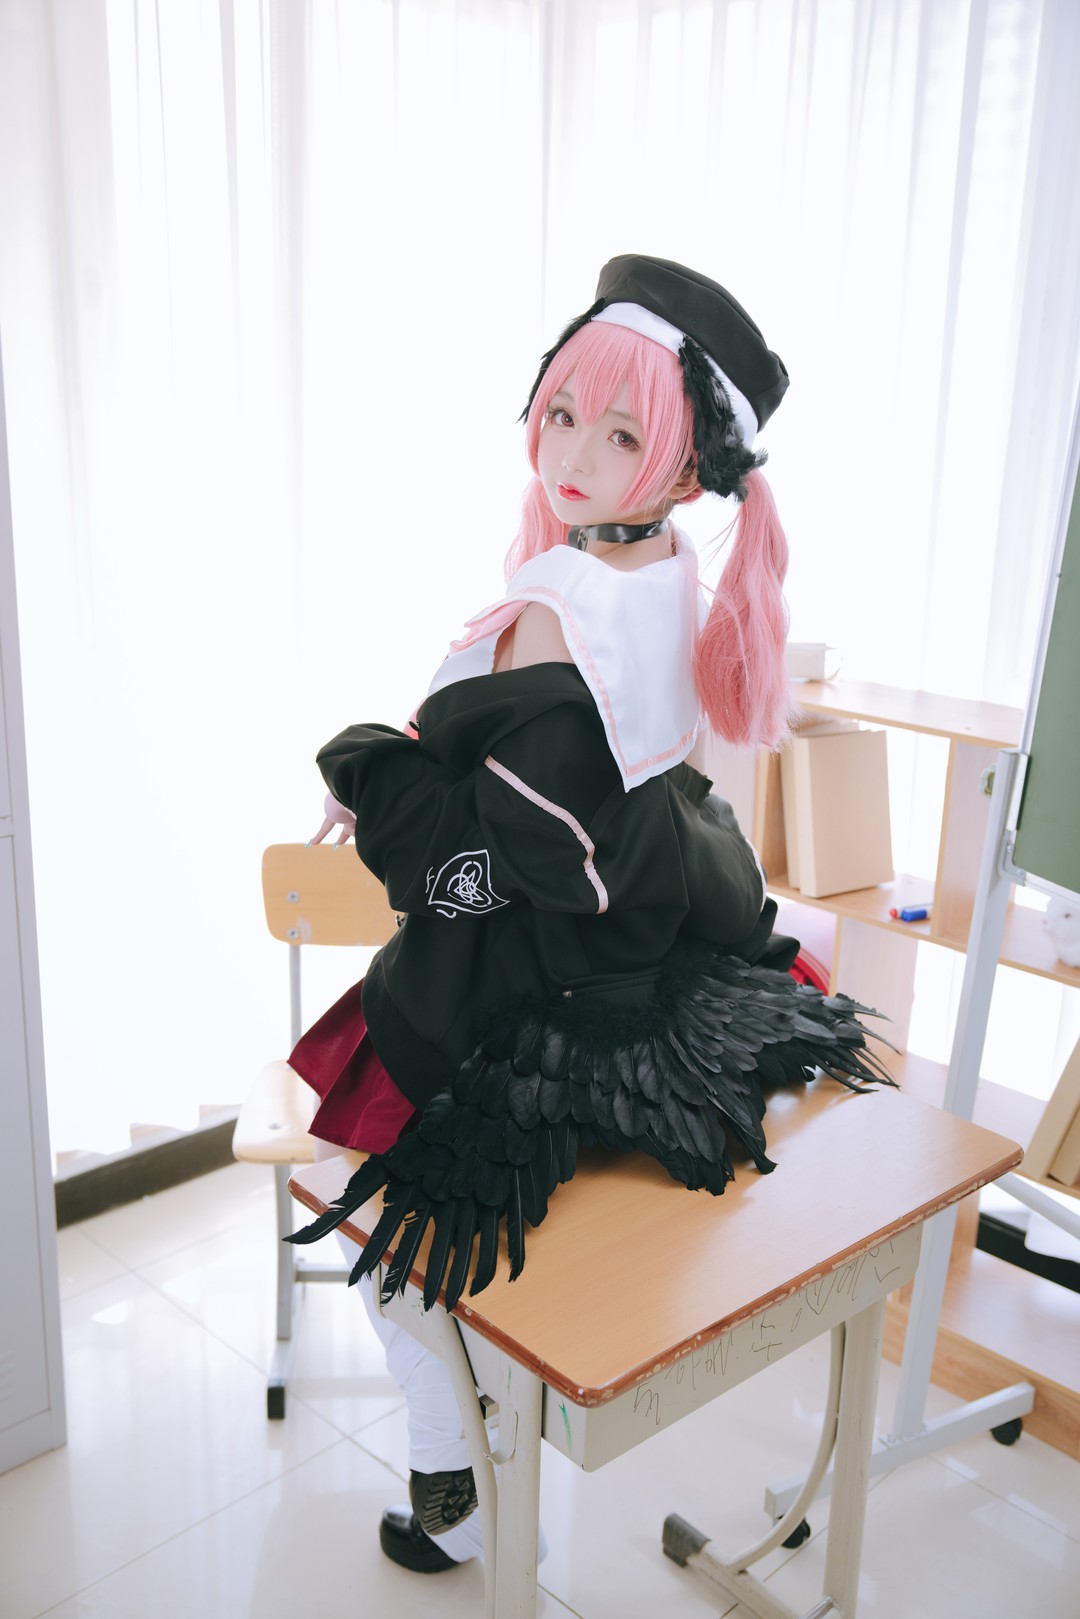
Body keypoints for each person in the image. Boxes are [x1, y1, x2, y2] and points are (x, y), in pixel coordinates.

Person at [287, 254, 892, 1574]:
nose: (571, 454)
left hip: (538, 982)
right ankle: (478, 1467)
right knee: (500, 1258)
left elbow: (473, 866)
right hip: (648, 945)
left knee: (400, 1259)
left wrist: (366, 768)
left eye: (621, 435)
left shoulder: (556, 615)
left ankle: (455, 1478)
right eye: (562, 412)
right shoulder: (664, 569)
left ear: (685, 469)